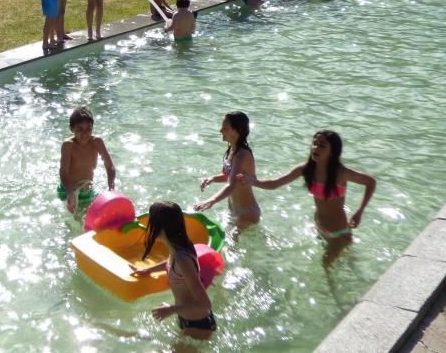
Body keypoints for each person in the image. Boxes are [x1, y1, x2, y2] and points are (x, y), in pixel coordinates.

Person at [244, 129, 376, 263]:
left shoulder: (341, 173)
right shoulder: (306, 169)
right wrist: (252, 181)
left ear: (332, 152)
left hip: (339, 233)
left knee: (329, 267)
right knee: (335, 265)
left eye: (322, 145)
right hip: (319, 228)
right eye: (314, 143)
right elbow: (275, 183)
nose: (316, 148)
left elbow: (371, 182)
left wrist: (359, 212)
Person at [130, 201, 216, 340]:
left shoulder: (182, 259)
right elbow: (171, 264)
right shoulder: (178, 248)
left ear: (161, 228)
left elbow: (205, 306)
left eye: (152, 222)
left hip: (198, 324)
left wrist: (171, 310)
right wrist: (148, 270)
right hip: (188, 317)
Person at [194, 111, 260, 225]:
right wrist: (213, 178)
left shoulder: (242, 155)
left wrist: (212, 200)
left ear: (237, 130)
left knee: (231, 239)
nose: (220, 131)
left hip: (247, 212)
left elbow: (232, 184)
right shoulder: (232, 150)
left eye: (225, 128)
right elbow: (229, 176)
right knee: (228, 239)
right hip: (233, 207)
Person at [58, 106, 116, 213]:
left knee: (91, 217)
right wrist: (70, 193)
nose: (85, 134)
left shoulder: (97, 142)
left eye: (88, 129)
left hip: (86, 190)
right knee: (73, 220)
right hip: (68, 189)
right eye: (80, 129)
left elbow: (110, 166)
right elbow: (63, 171)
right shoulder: (68, 145)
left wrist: (111, 187)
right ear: (71, 129)